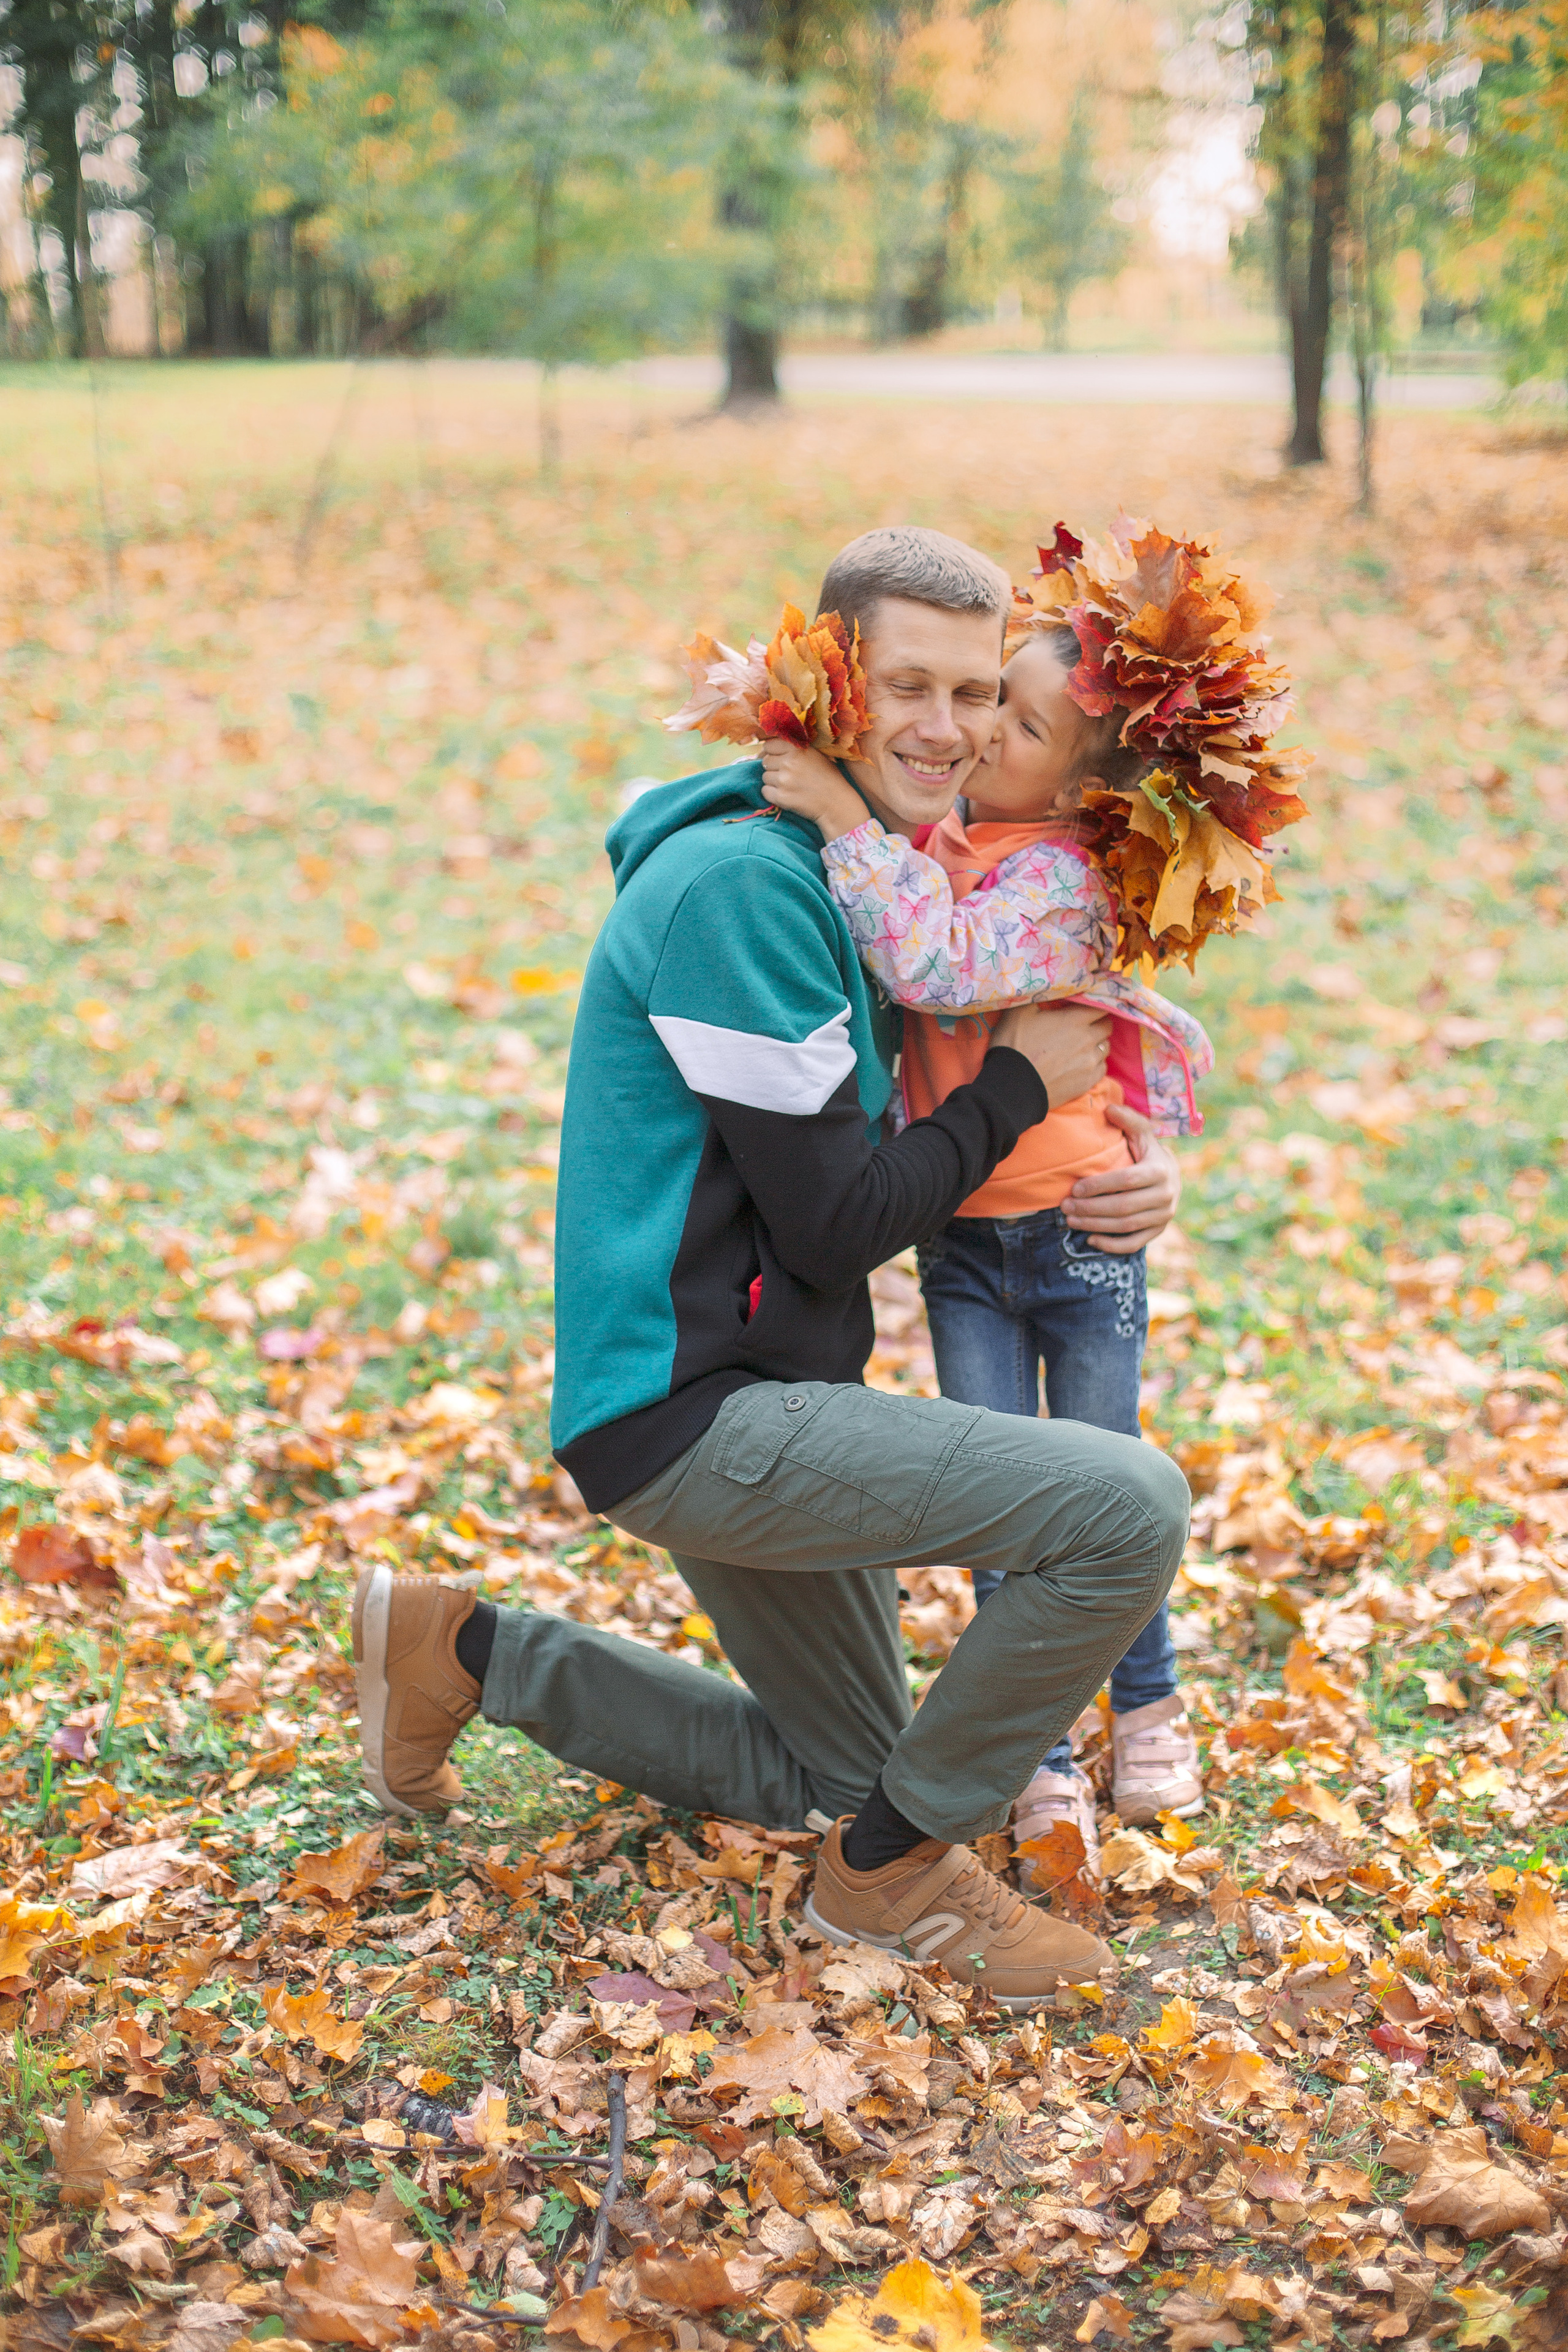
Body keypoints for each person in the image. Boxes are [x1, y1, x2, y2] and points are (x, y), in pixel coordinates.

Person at [352, 526, 1189, 2007]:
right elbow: (831, 1220)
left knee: (848, 1775)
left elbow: (948, 1111)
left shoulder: (856, 872)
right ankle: (896, 1884)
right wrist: (1015, 1086)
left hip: (763, 1386)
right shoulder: (749, 891)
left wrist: (1120, 1161)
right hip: (698, 1413)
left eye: (979, 693)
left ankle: (465, 1652)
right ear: (831, 680)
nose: (951, 728)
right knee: (1125, 1506)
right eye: (909, 686)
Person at [757, 617, 1213, 1875]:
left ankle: (1150, 1699)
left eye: (1013, 724)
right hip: (959, 1240)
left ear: (1075, 785)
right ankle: (1038, 1754)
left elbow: (939, 967)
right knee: (1000, 1506)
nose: (976, 736)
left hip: (1074, 1232)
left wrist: (846, 823)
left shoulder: (1066, 880)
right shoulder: (944, 836)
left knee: (1106, 1481)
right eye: (984, 705)